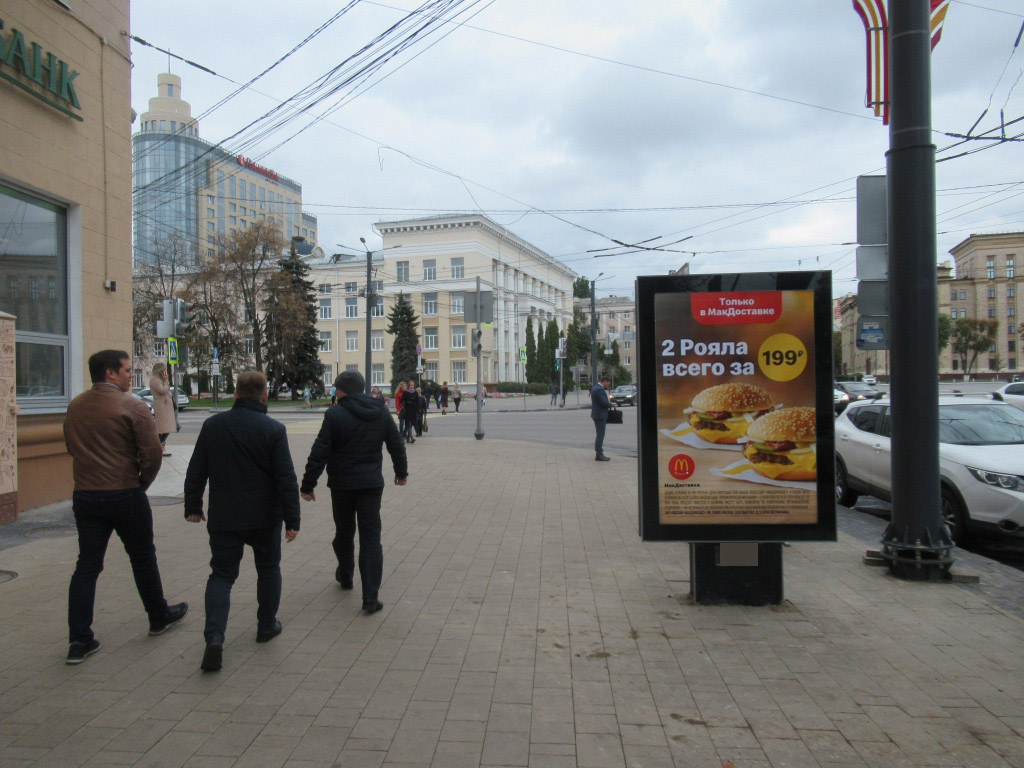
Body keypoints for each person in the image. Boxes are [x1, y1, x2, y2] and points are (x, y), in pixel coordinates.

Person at [63, 350, 188, 665]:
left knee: (87, 566)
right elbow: (151, 453)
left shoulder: (76, 405)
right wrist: (141, 484)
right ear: (109, 373)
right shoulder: (132, 406)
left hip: (86, 495)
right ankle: (158, 616)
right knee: (143, 558)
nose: (132, 375)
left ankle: (79, 640)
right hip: (124, 493)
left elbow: (70, 446)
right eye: (127, 370)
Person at [184, 371, 300, 672]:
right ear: (264, 396)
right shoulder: (273, 429)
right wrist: (292, 520)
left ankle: (214, 636)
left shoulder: (213, 426)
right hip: (264, 517)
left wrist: (193, 506)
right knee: (268, 568)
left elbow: (196, 470)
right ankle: (266, 626)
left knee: (221, 575)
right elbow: (285, 479)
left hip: (224, 516)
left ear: (235, 394)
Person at [300, 370, 408, 615]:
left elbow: (320, 451)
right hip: (370, 485)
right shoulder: (380, 411)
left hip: (342, 485)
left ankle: (346, 575)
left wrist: (308, 484)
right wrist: (401, 472)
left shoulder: (335, 414)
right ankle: (370, 597)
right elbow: (396, 444)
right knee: (371, 539)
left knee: (344, 532)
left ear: (341, 390)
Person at [150, 362, 176, 456]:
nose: (166, 372)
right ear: (160, 371)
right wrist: (166, 381)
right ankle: (159, 446)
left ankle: (161, 446)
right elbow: (163, 391)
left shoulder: (159, 380)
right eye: (164, 370)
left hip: (166, 405)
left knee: (168, 427)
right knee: (163, 427)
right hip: (161, 405)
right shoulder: (155, 380)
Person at [591, 376, 613, 461]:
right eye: (608, 384)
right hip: (600, 415)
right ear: (604, 381)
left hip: (596, 414)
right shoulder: (599, 389)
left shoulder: (595, 387)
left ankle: (599, 454)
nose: (608, 385)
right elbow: (603, 402)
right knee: (600, 435)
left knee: (599, 434)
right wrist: (611, 404)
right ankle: (599, 454)